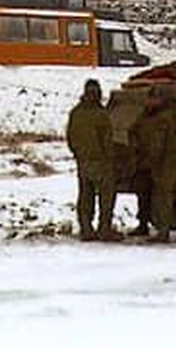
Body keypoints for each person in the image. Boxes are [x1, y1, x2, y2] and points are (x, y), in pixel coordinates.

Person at [135, 86, 176, 243]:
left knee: (163, 196)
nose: (150, 101)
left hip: (164, 163)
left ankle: (163, 232)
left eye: (153, 98)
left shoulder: (162, 118)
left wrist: (150, 159)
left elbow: (157, 144)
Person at [65, 79, 119, 241]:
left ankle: (86, 229)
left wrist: (78, 154)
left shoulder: (75, 113)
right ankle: (104, 229)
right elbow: (107, 140)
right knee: (106, 196)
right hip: (101, 162)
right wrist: (110, 158)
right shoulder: (101, 114)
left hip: (83, 161)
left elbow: (70, 137)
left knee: (85, 196)